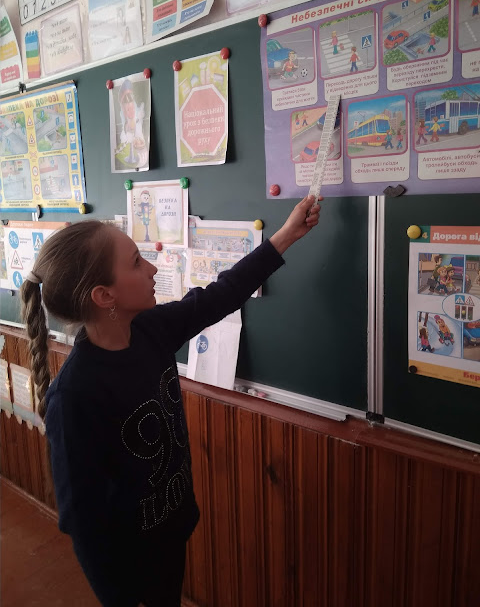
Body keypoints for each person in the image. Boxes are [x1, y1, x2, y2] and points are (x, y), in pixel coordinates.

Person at [20, 196, 322, 607]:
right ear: (104, 296)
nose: (153, 268)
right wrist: (117, 599)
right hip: (130, 561)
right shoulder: (76, 395)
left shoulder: (151, 329)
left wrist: (285, 236)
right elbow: (83, 519)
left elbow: (222, 294)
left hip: (172, 530)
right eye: (135, 263)